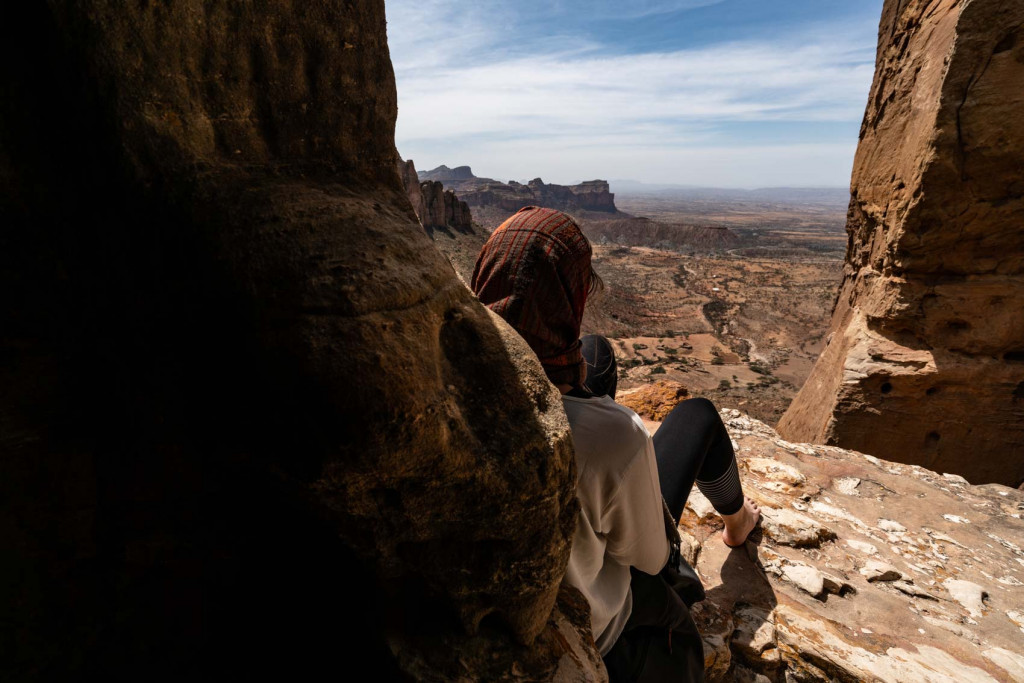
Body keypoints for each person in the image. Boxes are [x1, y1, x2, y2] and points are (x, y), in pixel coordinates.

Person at [471, 206, 759, 677]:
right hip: (604, 626)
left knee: (596, 352)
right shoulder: (611, 436)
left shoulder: (443, 389)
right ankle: (737, 524)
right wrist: (621, 451)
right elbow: (647, 558)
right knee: (697, 415)